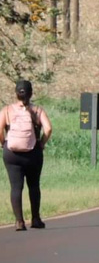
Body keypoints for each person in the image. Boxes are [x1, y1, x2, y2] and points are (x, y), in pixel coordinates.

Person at [0, 80, 52, 231]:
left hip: (12, 153)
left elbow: (0, 129)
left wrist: (3, 143)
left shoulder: (7, 110)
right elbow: (48, 129)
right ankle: (35, 219)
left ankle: (19, 222)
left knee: (16, 187)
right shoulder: (37, 110)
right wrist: (41, 143)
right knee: (34, 185)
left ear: (16, 93)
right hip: (33, 152)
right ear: (31, 93)